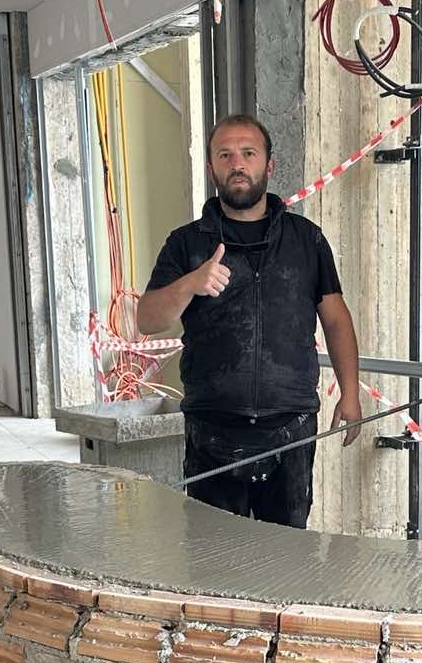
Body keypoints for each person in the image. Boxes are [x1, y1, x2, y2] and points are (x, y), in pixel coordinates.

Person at [137, 114, 363, 529]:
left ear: (269, 166)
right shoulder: (186, 243)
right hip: (212, 429)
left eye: (248, 153)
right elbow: (148, 319)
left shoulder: (306, 239)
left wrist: (350, 394)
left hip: (290, 428)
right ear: (211, 169)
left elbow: (335, 319)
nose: (236, 164)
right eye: (225, 155)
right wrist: (190, 283)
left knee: (287, 559)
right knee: (216, 563)